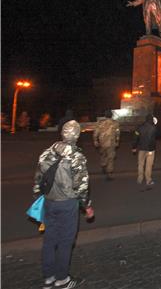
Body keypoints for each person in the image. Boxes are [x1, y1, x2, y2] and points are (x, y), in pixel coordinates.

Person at [33, 120, 93, 289]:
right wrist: (87, 206)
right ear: (77, 136)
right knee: (65, 242)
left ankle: (48, 278)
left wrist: (39, 198)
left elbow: (38, 180)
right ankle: (62, 279)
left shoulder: (47, 153)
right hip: (67, 204)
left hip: (49, 203)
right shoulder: (76, 157)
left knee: (49, 240)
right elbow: (82, 187)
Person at [132, 114, 159, 188]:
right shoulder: (154, 128)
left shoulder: (140, 127)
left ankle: (140, 179)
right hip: (151, 149)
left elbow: (135, 138)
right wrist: (156, 126)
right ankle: (148, 180)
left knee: (140, 164)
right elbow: (159, 136)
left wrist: (134, 147)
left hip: (141, 149)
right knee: (149, 165)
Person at [93, 110, 120, 181]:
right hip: (111, 143)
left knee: (103, 154)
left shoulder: (100, 123)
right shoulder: (115, 123)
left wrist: (95, 140)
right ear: (111, 115)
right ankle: (109, 173)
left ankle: (103, 165)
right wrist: (117, 141)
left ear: (105, 115)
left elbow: (96, 132)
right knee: (110, 158)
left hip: (102, 142)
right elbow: (117, 133)